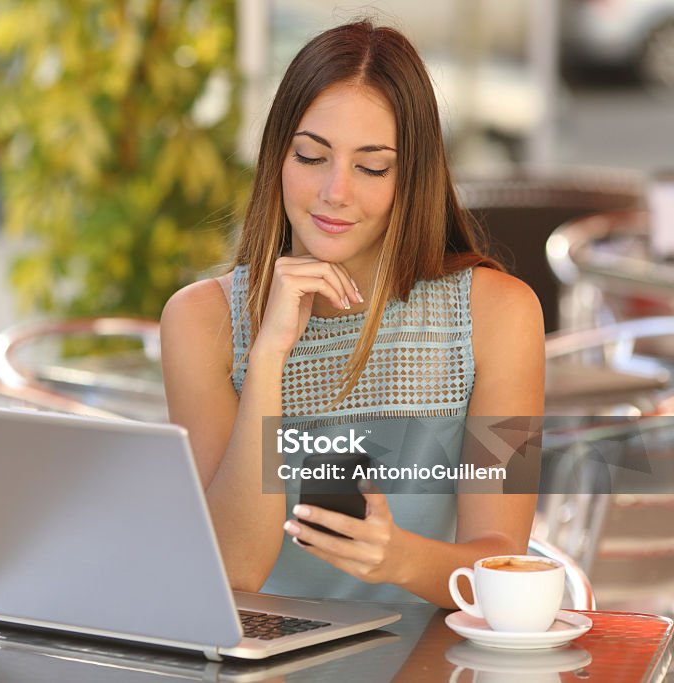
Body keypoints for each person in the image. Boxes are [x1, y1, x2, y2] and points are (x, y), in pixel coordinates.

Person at [159, 20, 544, 608]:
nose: (335, 191)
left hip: (427, 662)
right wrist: (267, 360)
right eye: (311, 156)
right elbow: (231, 576)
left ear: (412, 177)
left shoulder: (501, 315)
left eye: (371, 167)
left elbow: (504, 570)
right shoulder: (198, 322)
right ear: (277, 158)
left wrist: (396, 557)